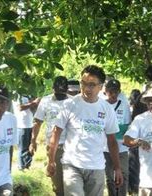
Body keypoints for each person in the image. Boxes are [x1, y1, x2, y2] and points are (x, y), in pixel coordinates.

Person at [47, 65, 122, 196]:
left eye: (92, 85)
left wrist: (117, 168)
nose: (87, 88)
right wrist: (51, 160)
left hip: (96, 166)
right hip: (72, 164)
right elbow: (56, 132)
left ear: (101, 86)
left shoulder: (106, 109)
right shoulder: (69, 105)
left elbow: (112, 141)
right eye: (84, 83)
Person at [29, 76, 70, 196]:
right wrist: (33, 141)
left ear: (67, 90)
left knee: (71, 182)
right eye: (58, 92)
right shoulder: (46, 101)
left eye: (63, 92)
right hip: (54, 146)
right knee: (58, 184)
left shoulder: (73, 101)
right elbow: (38, 122)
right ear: (53, 89)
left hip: (71, 146)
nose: (60, 95)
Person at [101, 79, 131, 196]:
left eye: (116, 92)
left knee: (123, 175)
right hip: (106, 148)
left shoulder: (124, 104)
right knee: (110, 177)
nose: (113, 94)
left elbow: (127, 125)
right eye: (110, 91)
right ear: (105, 91)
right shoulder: (101, 104)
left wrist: (111, 131)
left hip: (121, 147)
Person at [14, 94, 37, 170]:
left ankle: (27, 165)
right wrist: (33, 103)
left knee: (29, 147)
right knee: (22, 148)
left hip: (30, 124)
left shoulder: (29, 95)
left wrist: (34, 103)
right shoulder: (18, 95)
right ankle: (21, 166)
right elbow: (20, 107)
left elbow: (33, 109)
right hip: (21, 126)